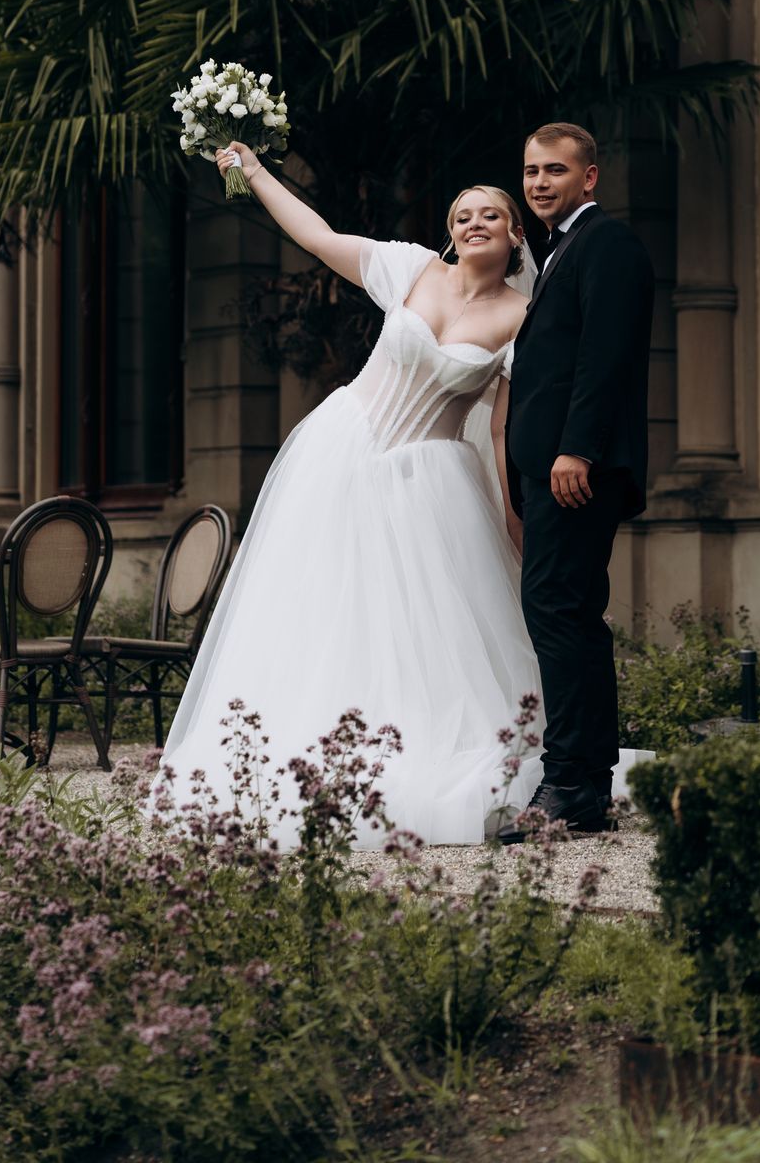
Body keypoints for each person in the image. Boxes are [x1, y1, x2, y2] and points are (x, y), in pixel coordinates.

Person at [150, 142, 546, 845]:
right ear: (449, 232)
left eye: (490, 214)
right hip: (343, 453)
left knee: (419, 626)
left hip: (432, 484)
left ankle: (413, 752)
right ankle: (292, 749)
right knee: (323, 608)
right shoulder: (411, 270)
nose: (473, 223)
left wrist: (514, 515)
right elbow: (317, 236)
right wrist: (257, 173)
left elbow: (503, 430)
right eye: (462, 215)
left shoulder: (522, 318)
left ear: (515, 234)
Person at [502, 122, 655, 841]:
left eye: (555, 171)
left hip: (576, 468)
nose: (539, 183)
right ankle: (586, 785)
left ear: (588, 177)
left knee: (558, 614)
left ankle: (567, 782)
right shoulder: (558, 251)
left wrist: (576, 450)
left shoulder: (607, 243)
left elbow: (605, 356)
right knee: (570, 617)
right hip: (552, 468)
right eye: (532, 171)